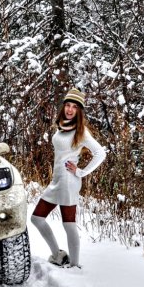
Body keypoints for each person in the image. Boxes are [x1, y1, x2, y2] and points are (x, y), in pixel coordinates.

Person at [31, 87, 106, 268]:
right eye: (68, 105)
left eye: (74, 107)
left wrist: (80, 172)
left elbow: (100, 153)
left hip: (68, 182)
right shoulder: (62, 126)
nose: (70, 109)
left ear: (79, 111)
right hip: (57, 180)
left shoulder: (81, 131)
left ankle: (74, 264)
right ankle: (57, 255)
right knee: (37, 218)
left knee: (69, 223)